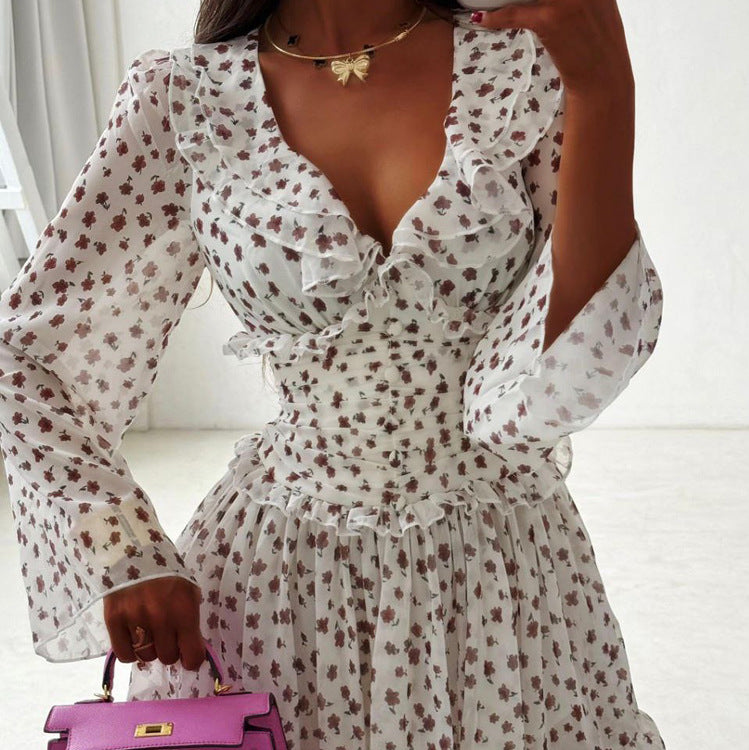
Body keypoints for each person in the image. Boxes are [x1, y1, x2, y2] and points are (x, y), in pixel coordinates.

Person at [0, 0, 667, 747]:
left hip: (499, 587)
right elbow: (29, 355)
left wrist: (604, 90)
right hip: (277, 593)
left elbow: (578, 358)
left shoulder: (518, 70)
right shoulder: (186, 98)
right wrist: (122, 546)